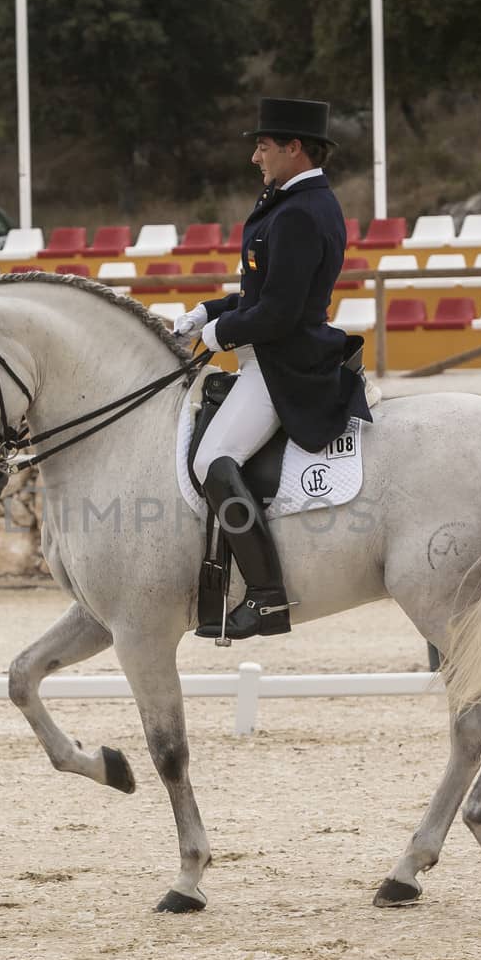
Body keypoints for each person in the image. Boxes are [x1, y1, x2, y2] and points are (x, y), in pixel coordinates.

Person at [173, 96, 371, 640]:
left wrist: (219, 334)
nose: (255, 156)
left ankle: (265, 597)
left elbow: (281, 311)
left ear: (294, 147)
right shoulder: (287, 201)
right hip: (267, 354)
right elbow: (262, 290)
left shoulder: (303, 211)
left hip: (284, 366)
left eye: (263, 146)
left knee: (212, 460)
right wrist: (206, 313)